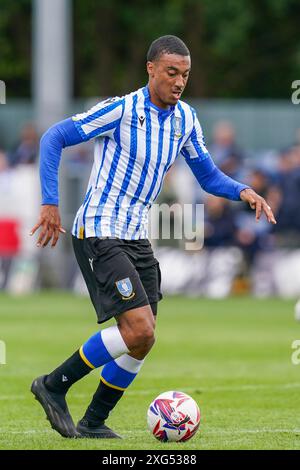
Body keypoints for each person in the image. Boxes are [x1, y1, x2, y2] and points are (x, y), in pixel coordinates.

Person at [30, 35, 276, 439]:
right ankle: (53, 385)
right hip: (99, 230)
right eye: (171, 72)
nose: (179, 82)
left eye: (186, 75)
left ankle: (93, 421)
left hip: (136, 237)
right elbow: (53, 136)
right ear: (151, 69)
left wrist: (242, 190)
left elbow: (208, 174)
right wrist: (50, 202)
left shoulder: (186, 119)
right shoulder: (121, 109)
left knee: (144, 340)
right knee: (138, 330)